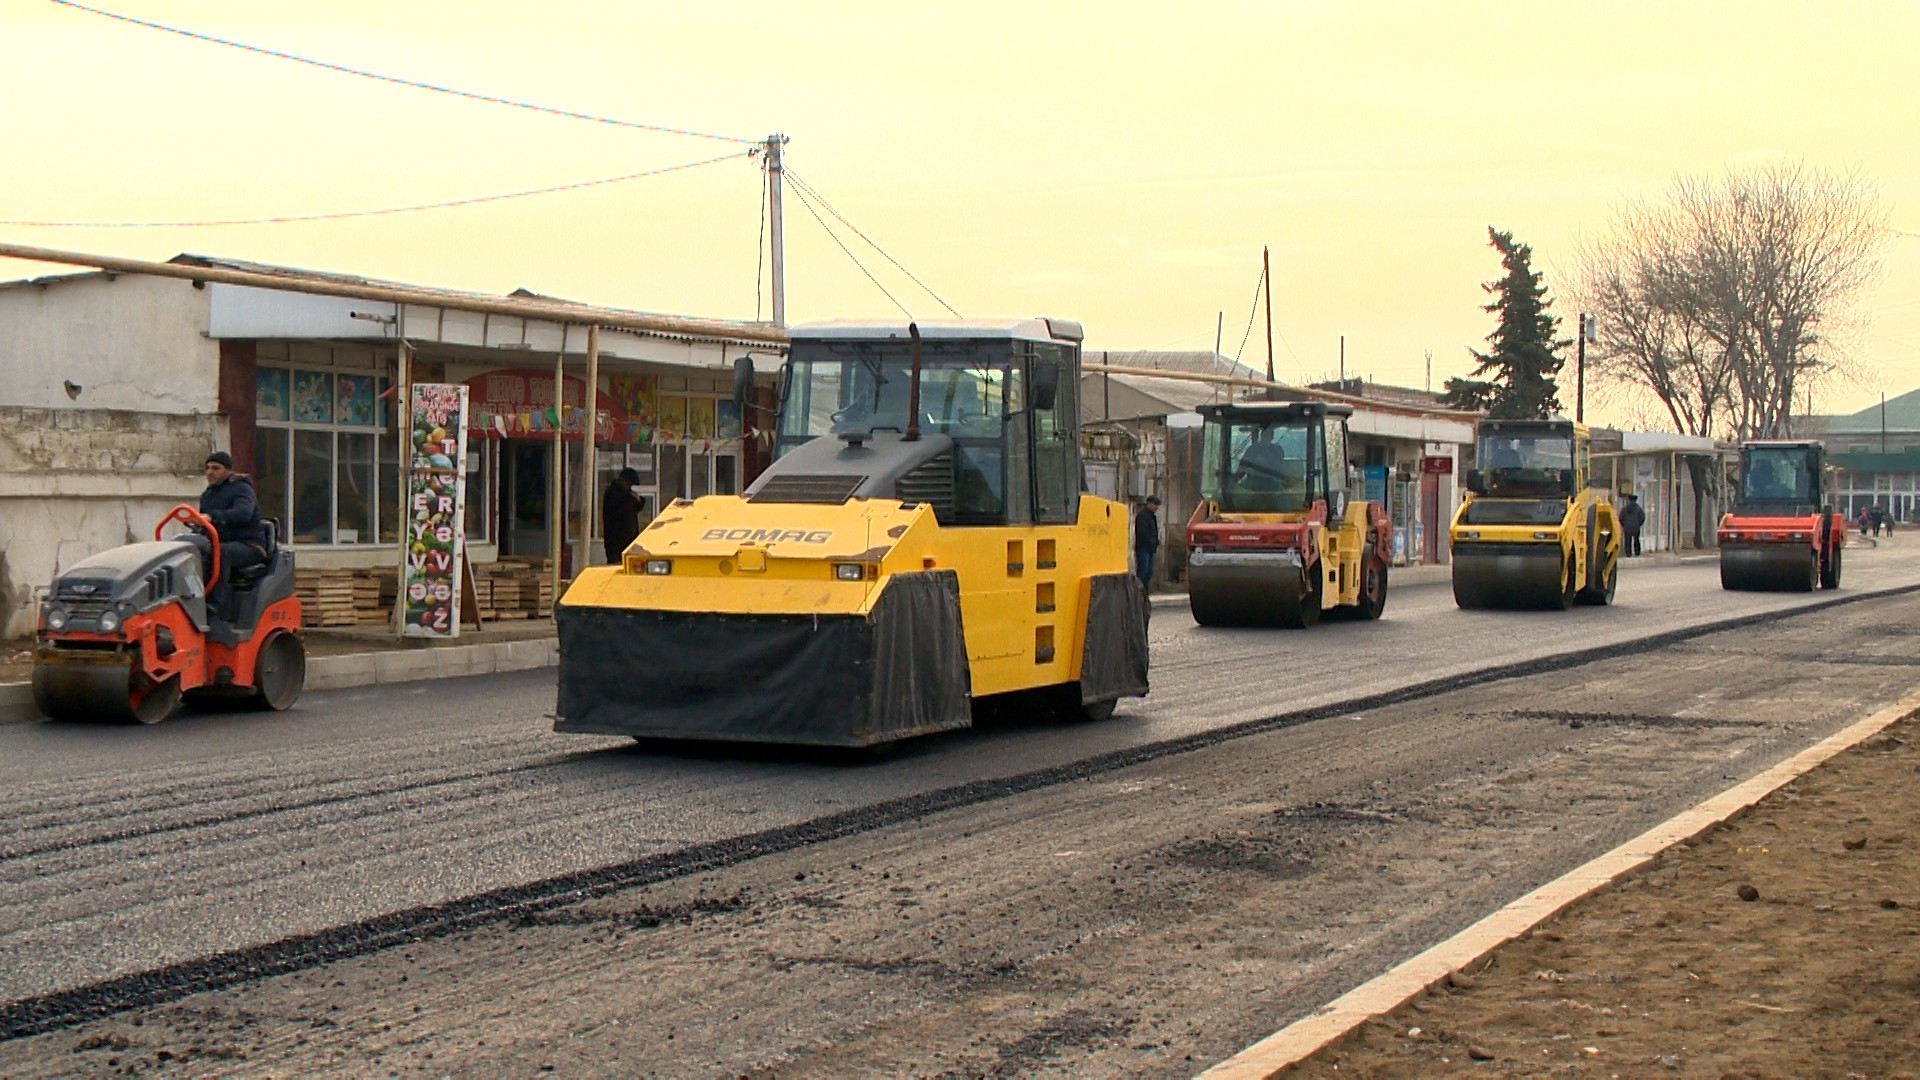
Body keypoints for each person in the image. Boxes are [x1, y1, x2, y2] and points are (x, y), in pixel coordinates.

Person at [188, 451, 269, 622]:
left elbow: (243, 513)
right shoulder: (208, 495)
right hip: (221, 542)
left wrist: (213, 517)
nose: (210, 472)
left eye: (216, 468)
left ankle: (216, 606)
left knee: (221, 553)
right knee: (191, 550)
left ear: (228, 470)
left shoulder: (241, 488)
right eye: (207, 468)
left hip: (250, 545)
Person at [602, 467, 645, 563]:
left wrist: (638, 500)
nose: (629, 487)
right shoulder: (613, 493)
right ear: (623, 481)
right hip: (616, 544)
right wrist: (634, 500)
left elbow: (637, 506)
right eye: (629, 484)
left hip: (628, 543)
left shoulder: (626, 494)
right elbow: (623, 507)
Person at [1134, 495, 1161, 590]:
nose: (1156, 507)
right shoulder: (1142, 516)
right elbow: (1141, 532)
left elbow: (1154, 531)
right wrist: (1150, 541)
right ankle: (1140, 592)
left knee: (1149, 572)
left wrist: (1156, 542)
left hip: (1150, 548)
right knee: (1143, 572)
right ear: (1148, 504)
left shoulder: (1152, 517)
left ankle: (1145, 591)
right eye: (1155, 504)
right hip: (1143, 547)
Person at [1619, 492, 1645, 557]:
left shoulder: (1624, 509)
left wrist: (1624, 525)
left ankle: (1628, 553)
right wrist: (1639, 524)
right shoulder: (1638, 509)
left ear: (1629, 500)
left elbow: (1620, 518)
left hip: (1627, 527)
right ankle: (1637, 552)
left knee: (1627, 540)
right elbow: (1642, 517)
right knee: (1636, 540)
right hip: (1636, 527)